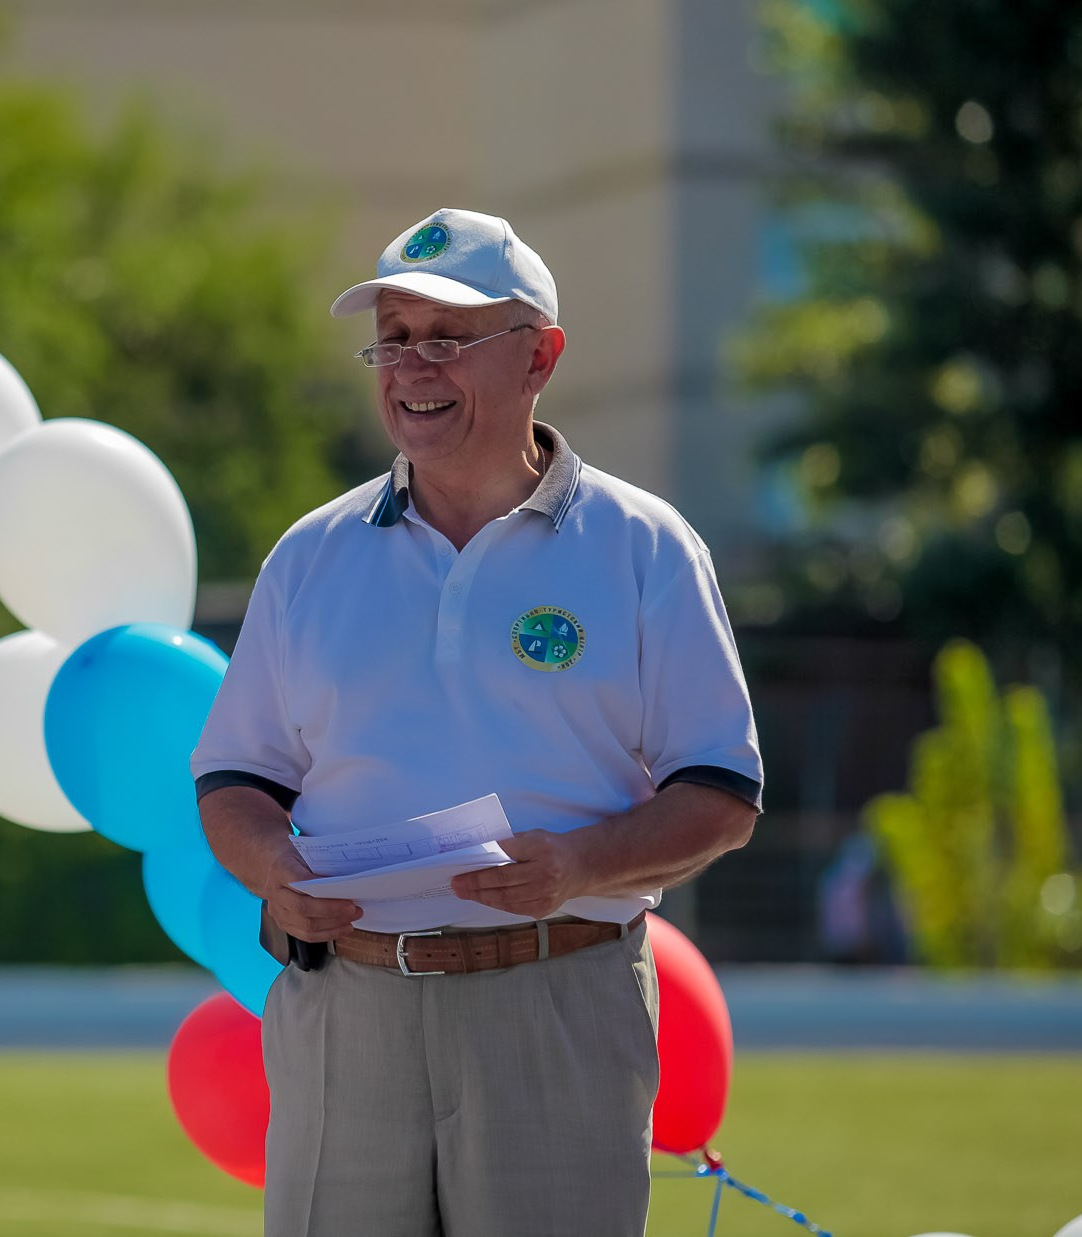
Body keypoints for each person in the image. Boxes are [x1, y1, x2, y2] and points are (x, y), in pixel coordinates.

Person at [193, 208, 762, 1236]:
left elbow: (721, 793)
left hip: (555, 999)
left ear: (539, 355)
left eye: (448, 339)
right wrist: (272, 868)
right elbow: (235, 780)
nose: (413, 366)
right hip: (346, 1008)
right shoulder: (309, 555)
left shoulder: (644, 549)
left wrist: (579, 864)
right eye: (395, 338)